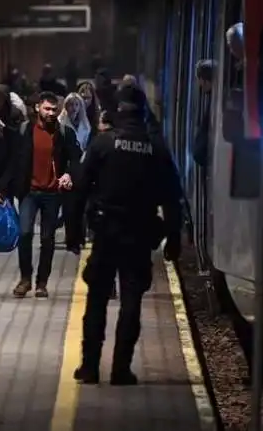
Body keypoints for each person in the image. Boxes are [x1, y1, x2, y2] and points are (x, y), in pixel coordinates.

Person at [70, 85, 182, 385]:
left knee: (96, 300)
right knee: (131, 301)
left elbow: (80, 187)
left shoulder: (103, 144)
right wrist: (174, 237)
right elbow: (172, 196)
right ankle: (121, 369)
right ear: (144, 112)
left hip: (106, 233)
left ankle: (90, 367)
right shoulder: (156, 148)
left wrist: (72, 231)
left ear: (118, 111)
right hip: (140, 234)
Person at [0, 91, 82, 298]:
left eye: (54, 109)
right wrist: (2, 188)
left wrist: (69, 174)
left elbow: (76, 159)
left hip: (53, 193)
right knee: (25, 233)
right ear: (37, 109)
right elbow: (14, 162)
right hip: (29, 192)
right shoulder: (24, 131)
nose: (51, 113)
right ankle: (25, 279)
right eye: (47, 108)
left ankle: (42, 282)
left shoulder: (65, 133)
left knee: (47, 238)